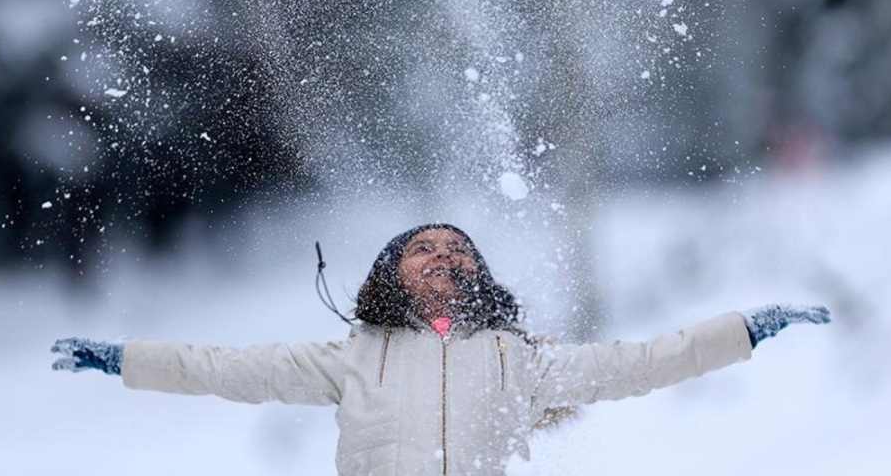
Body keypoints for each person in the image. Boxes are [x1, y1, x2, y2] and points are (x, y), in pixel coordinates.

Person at [51, 223, 830, 475]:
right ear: (390, 273)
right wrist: (124, 358)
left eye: (459, 249)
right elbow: (222, 368)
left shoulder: (517, 360)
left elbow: (641, 360)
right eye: (424, 247)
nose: (444, 256)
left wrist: (744, 330)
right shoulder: (352, 356)